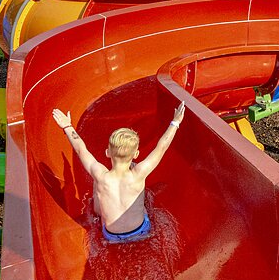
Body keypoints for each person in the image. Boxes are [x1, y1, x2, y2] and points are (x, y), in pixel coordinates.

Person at [52, 101, 187, 243]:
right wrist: (175, 122)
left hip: (110, 236)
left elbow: (80, 149)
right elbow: (161, 147)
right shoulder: (139, 172)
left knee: (97, 189)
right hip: (140, 231)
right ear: (136, 154)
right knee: (144, 204)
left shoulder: (100, 174)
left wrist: (67, 126)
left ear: (107, 152)